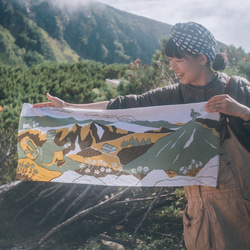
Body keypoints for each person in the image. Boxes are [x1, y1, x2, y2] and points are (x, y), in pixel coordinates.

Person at [33, 22, 250, 250]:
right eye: (170, 60)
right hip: (199, 219)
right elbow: (126, 105)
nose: (172, 66)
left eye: (178, 59)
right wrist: (68, 107)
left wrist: (242, 111)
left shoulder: (237, 89)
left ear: (202, 59)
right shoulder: (174, 95)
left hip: (242, 214)